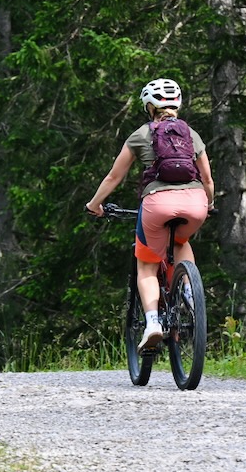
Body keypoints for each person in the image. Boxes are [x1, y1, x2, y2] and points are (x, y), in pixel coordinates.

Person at [85, 78, 215, 350]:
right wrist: (209, 204)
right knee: (180, 241)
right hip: (195, 203)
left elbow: (113, 177)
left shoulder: (141, 134)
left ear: (149, 106)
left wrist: (95, 204)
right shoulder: (191, 134)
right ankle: (191, 293)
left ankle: (153, 322)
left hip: (157, 204)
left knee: (146, 263)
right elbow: (208, 179)